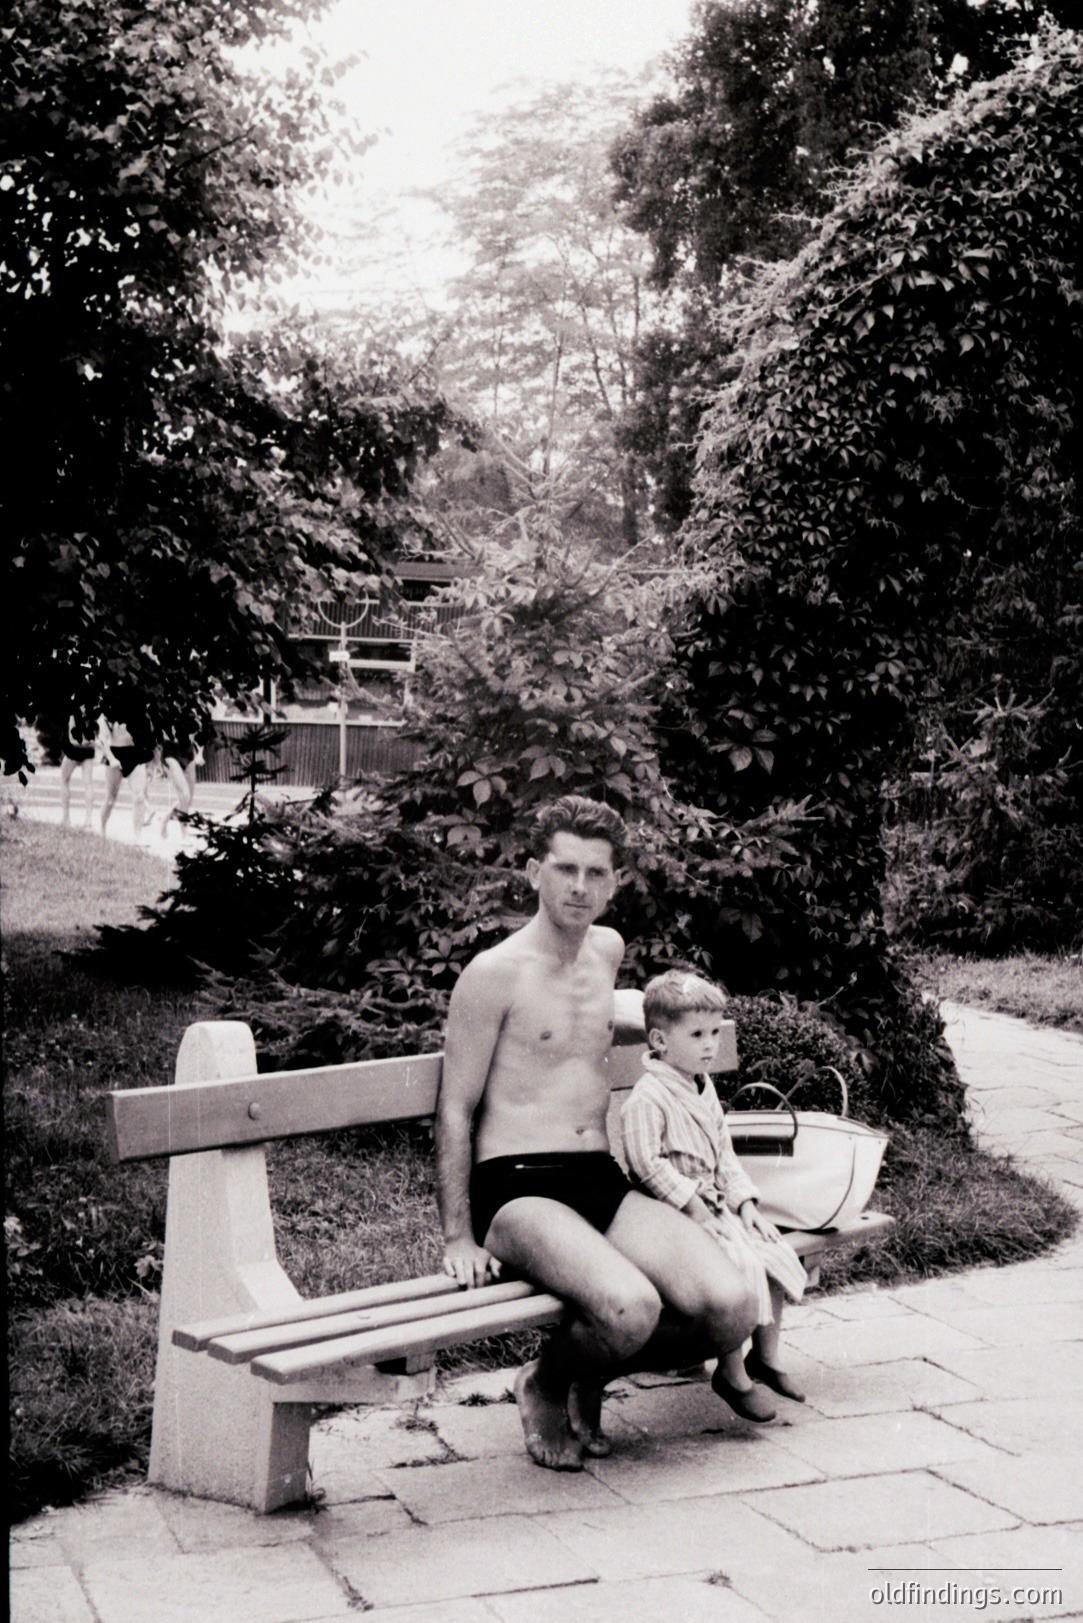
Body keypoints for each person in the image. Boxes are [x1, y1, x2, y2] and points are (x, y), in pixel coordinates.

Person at [435, 795, 761, 1471]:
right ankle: (546, 1382)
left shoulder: (606, 950)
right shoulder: (492, 974)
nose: (578, 886)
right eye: (564, 868)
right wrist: (457, 1236)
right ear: (532, 871)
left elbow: (614, 1021)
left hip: (596, 1176)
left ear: (614, 882)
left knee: (731, 1306)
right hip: (518, 1189)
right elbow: (454, 1109)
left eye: (595, 872)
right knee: (630, 1305)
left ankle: (590, 1372)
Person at [621, 970, 808, 1419]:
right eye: (697, 1034)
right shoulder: (649, 1097)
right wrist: (693, 1205)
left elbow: (724, 1155)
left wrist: (745, 1204)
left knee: (772, 1251)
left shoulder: (703, 1089)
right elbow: (647, 1164)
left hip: (716, 1205)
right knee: (736, 1265)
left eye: (714, 1034)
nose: (710, 1045)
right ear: (660, 1041)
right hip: (674, 1214)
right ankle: (730, 1371)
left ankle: (764, 1357)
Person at [97, 719, 154, 838]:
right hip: (115, 753)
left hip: (135, 753)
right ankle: (102, 828)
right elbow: (102, 739)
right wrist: (111, 758)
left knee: (139, 796)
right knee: (110, 799)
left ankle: (137, 837)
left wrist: (151, 764)